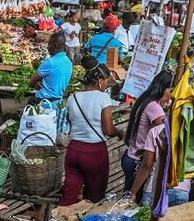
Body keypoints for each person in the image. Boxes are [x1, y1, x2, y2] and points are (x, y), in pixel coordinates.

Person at [60, 57, 120, 205]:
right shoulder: (103, 98)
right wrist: (120, 132)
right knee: (94, 197)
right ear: (99, 80)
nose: (106, 85)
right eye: (106, 81)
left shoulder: (72, 98)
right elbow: (108, 130)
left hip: (73, 151)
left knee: (69, 195)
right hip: (94, 153)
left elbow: (70, 121)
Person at [121, 69, 172, 190]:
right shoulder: (154, 107)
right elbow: (166, 133)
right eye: (171, 90)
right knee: (132, 200)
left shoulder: (144, 100)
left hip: (130, 156)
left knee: (128, 196)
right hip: (138, 162)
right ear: (163, 88)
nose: (171, 96)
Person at [29, 32, 73, 102]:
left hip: (43, 101)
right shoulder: (69, 62)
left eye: (49, 44)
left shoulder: (50, 62)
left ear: (54, 45)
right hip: (58, 102)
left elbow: (31, 82)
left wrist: (35, 83)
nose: (47, 47)